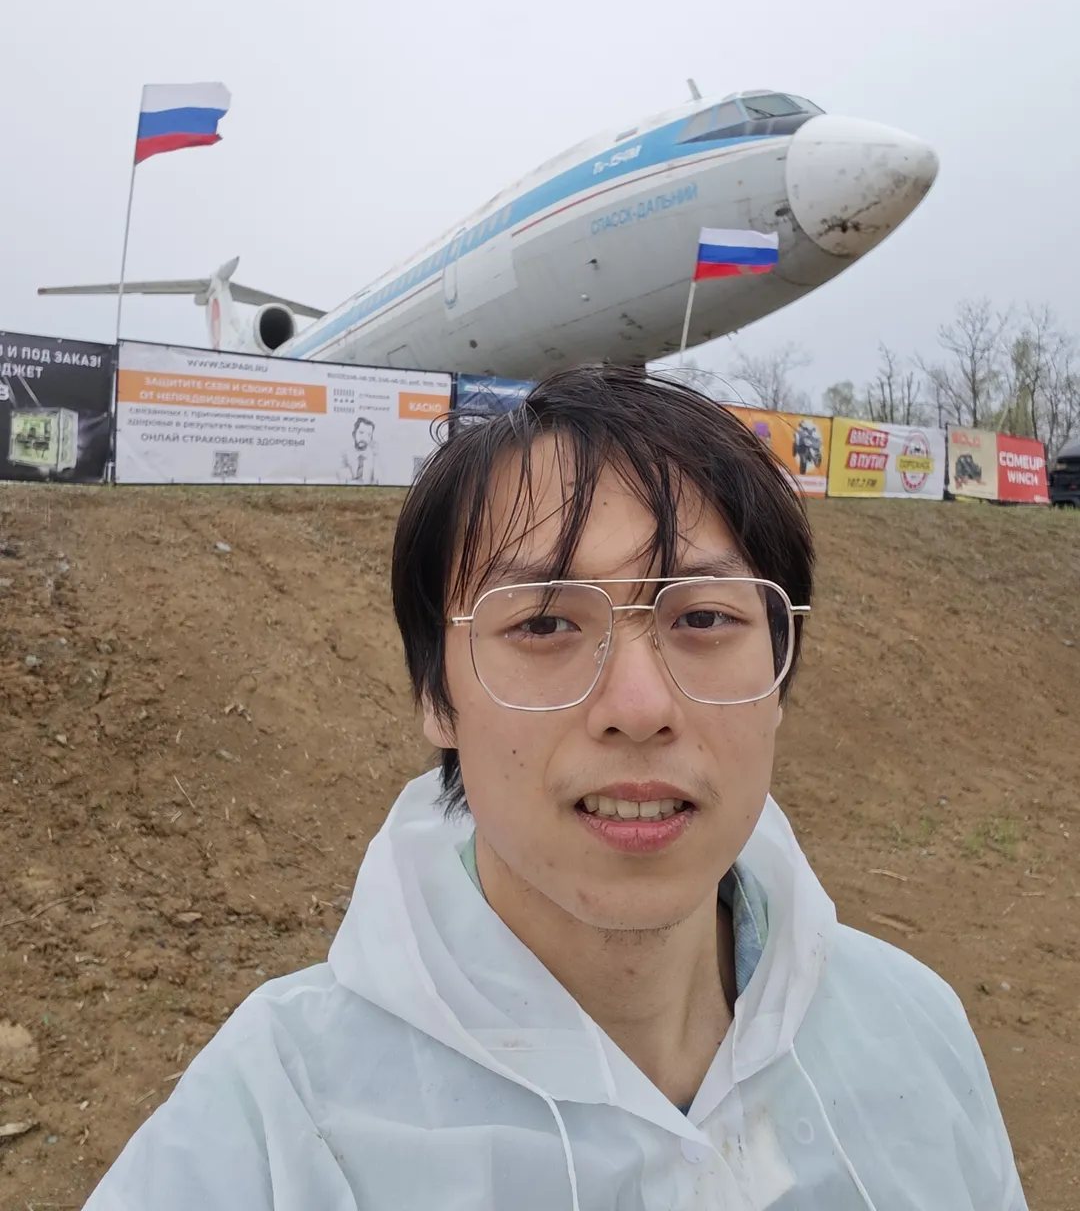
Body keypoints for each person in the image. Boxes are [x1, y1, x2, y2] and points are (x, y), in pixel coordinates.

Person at [85, 365, 1026, 1210]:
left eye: (702, 615)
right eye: (541, 625)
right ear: (436, 699)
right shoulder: (272, 1127)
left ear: (779, 677)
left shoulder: (916, 1030)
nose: (640, 705)